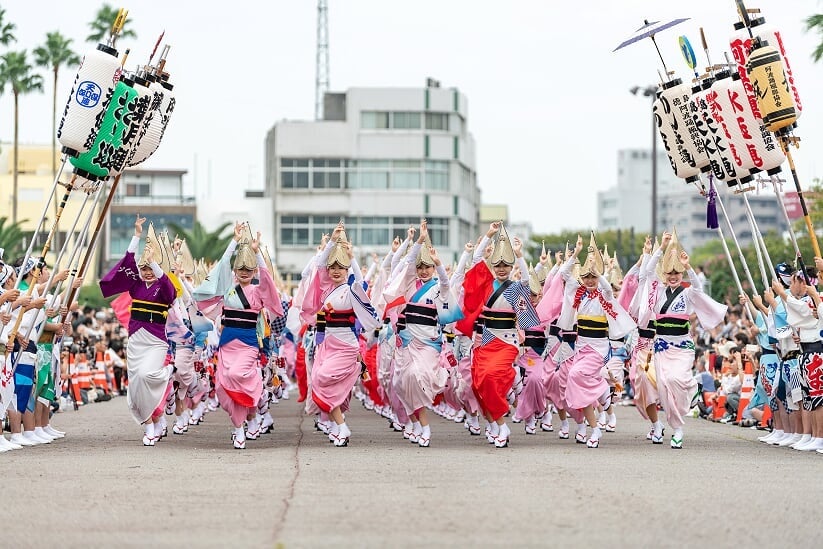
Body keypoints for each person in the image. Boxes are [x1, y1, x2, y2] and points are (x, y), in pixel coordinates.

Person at [192, 222, 283, 449]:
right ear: (235, 271)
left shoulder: (258, 290)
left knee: (238, 375)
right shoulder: (228, 288)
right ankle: (239, 428)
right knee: (224, 386)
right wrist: (234, 241)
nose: (244, 272)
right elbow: (222, 265)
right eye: (240, 269)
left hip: (248, 343)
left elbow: (267, 279)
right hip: (227, 343)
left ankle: (255, 396)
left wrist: (256, 252)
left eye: (248, 269)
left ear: (253, 271)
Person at [640, 230, 727, 449]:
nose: (673, 276)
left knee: (676, 380)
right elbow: (649, 272)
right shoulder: (658, 291)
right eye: (669, 272)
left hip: (682, 346)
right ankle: (676, 427)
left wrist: (688, 266)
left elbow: (698, 288)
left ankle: (690, 393)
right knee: (664, 388)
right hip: (661, 347)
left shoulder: (687, 293)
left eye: (677, 272)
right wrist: (661, 248)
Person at [99, 215, 177, 446]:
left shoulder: (164, 288)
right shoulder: (136, 285)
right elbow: (127, 262)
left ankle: (167, 373)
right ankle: (151, 423)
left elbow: (170, 291)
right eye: (143, 268)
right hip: (136, 340)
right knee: (136, 385)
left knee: (146, 376)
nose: (146, 271)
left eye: (150, 268)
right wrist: (136, 236)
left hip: (156, 341)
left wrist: (154, 262)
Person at [301, 222, 380, 447]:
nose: (335, 270)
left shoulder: (352, 290)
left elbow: (361, 282)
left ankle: (341, 425)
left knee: (323, 378)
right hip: (325, 344)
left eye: (341, 267)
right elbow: (316, 266)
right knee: (319, 381)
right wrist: (333, 242)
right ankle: (338, 425)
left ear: (347, 271)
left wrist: (351, 257)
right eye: (332, 267)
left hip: (346, 346)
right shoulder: (326, 290)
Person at [558, 233, 635, 448]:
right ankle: (595, 429)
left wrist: (598, 272)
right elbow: (564, 273)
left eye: (593, 277)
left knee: (575, 375)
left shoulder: (605, 296)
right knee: (576, 390)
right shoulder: (578, 293)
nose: (590, 281)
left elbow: (609, 289)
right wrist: (577, 254)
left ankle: (602, 388)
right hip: (581, 349)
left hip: (599, 350)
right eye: (587, 277)